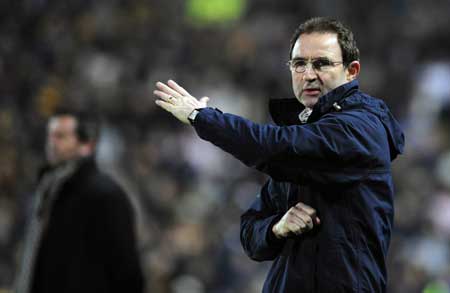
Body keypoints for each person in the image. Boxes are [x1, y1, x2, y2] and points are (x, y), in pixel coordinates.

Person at [153, 16, 404, 293]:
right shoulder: (302, 140)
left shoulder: (360, 128)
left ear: (351, 71)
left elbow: (272, 146)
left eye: (321, 63)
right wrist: (276, 228)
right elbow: (250, 232)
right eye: (299, 64)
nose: (308, 74)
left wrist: (202, 117)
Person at [14, 110, 144, 293]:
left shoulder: (105, 194)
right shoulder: (49, 187)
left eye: (61, 136)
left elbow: (126, 266)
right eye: (50, 136)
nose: (51, 143)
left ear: (86, 145)